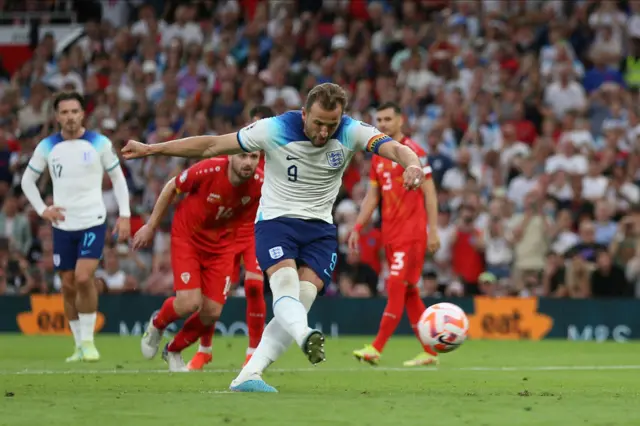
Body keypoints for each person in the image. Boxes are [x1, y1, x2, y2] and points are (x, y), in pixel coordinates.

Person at [122, 83, 427, 392]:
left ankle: (249, 375)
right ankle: (305, 335)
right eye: (318, 123)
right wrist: (152, 149)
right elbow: (212, 145)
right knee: (285, 287)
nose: (323, 132)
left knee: (303, 299)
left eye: (330, 125)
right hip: (276, 223)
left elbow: (395, 148)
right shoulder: (274, 128)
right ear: (305, 113)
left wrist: (412, 163)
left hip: (320, 230)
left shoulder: (350, 131)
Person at [20, 91, 131, 362]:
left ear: (83, 114)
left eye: (74, 112)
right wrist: (42, 210)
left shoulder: (99, 143)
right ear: (57, 116)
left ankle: (90, 343)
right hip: (61, 225)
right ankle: (78, 345)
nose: (70, 117)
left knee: (83, 278)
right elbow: (27, 181)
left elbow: (117, 178)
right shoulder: (48, 146)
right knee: (67, 285)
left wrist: (125, 214)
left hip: (92, 221)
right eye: (65, 112)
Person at [134, 152, 263, 372]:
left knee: (212, 312)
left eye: (253, 157)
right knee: (188, 302)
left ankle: (173, 349)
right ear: (230, 156)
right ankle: (157, 325)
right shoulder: (208, 170)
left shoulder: (260, 182)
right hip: (189, 238)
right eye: (242, 156)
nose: (248, 163)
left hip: (222, 246)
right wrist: (151, 226)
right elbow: (170, 188)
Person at [349, 102, 441, 367]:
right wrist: (358, 226)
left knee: (395, 287)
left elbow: (430, 192)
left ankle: (376, 348)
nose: (384, 124)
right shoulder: (379, 156)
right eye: (379, 119)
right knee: (410, 291)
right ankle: (430, 351)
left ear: (401, 120)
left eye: (388, 118)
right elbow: (372, 195)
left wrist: (433, 230)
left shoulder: (414, 152)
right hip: (390, 234)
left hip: (410, 234)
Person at [188, 105, 275, 371]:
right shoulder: (238, 149)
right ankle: (205, 350)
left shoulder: (278, 155)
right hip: (224, 228)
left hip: (253, 230)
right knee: (210, 295)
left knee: (254, 286)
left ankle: (253, 352)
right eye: (256, 126)